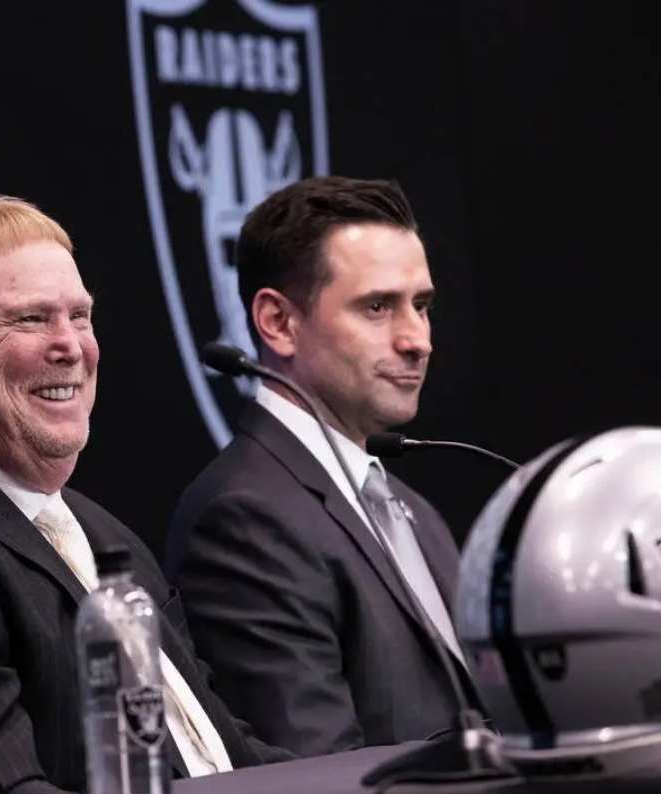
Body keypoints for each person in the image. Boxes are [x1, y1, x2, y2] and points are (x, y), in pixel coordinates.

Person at [0, 195, 289, 794]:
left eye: (81, 316)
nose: (72, 346)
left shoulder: (98, 531)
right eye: (31, 319)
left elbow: (212, 748)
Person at [165, 176, 475, 757]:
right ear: (278, 323)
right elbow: (318, 782)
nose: (418, 341)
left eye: (422, 306)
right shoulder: (243, 520)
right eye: (378, 307)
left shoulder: (413, 510)